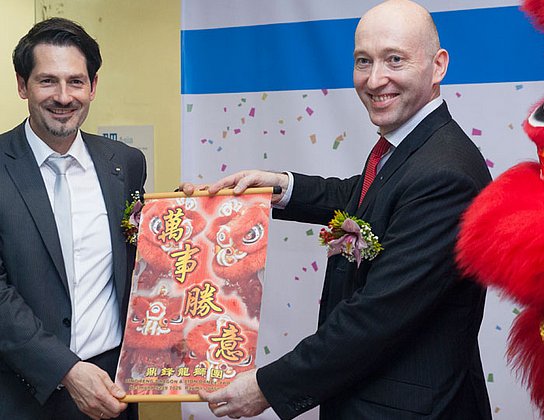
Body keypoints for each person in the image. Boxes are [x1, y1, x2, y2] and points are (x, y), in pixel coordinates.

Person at [187, 0, 492, 418]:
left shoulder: (446, 174)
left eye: (395, 60)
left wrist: (268, 386)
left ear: (438, 66)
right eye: (363, 61)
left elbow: (375, 317)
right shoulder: (410, 144)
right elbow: (373, 198)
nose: (374, 79)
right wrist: (281, 187)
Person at [0, 18, 146, 419]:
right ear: (21, 84)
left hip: (114, 388)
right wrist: (64, 370)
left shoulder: (126, 165)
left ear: (93, 86)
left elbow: (140, 265)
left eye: (76, 82)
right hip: (24, 392)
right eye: (47, 81)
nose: (63, 97)